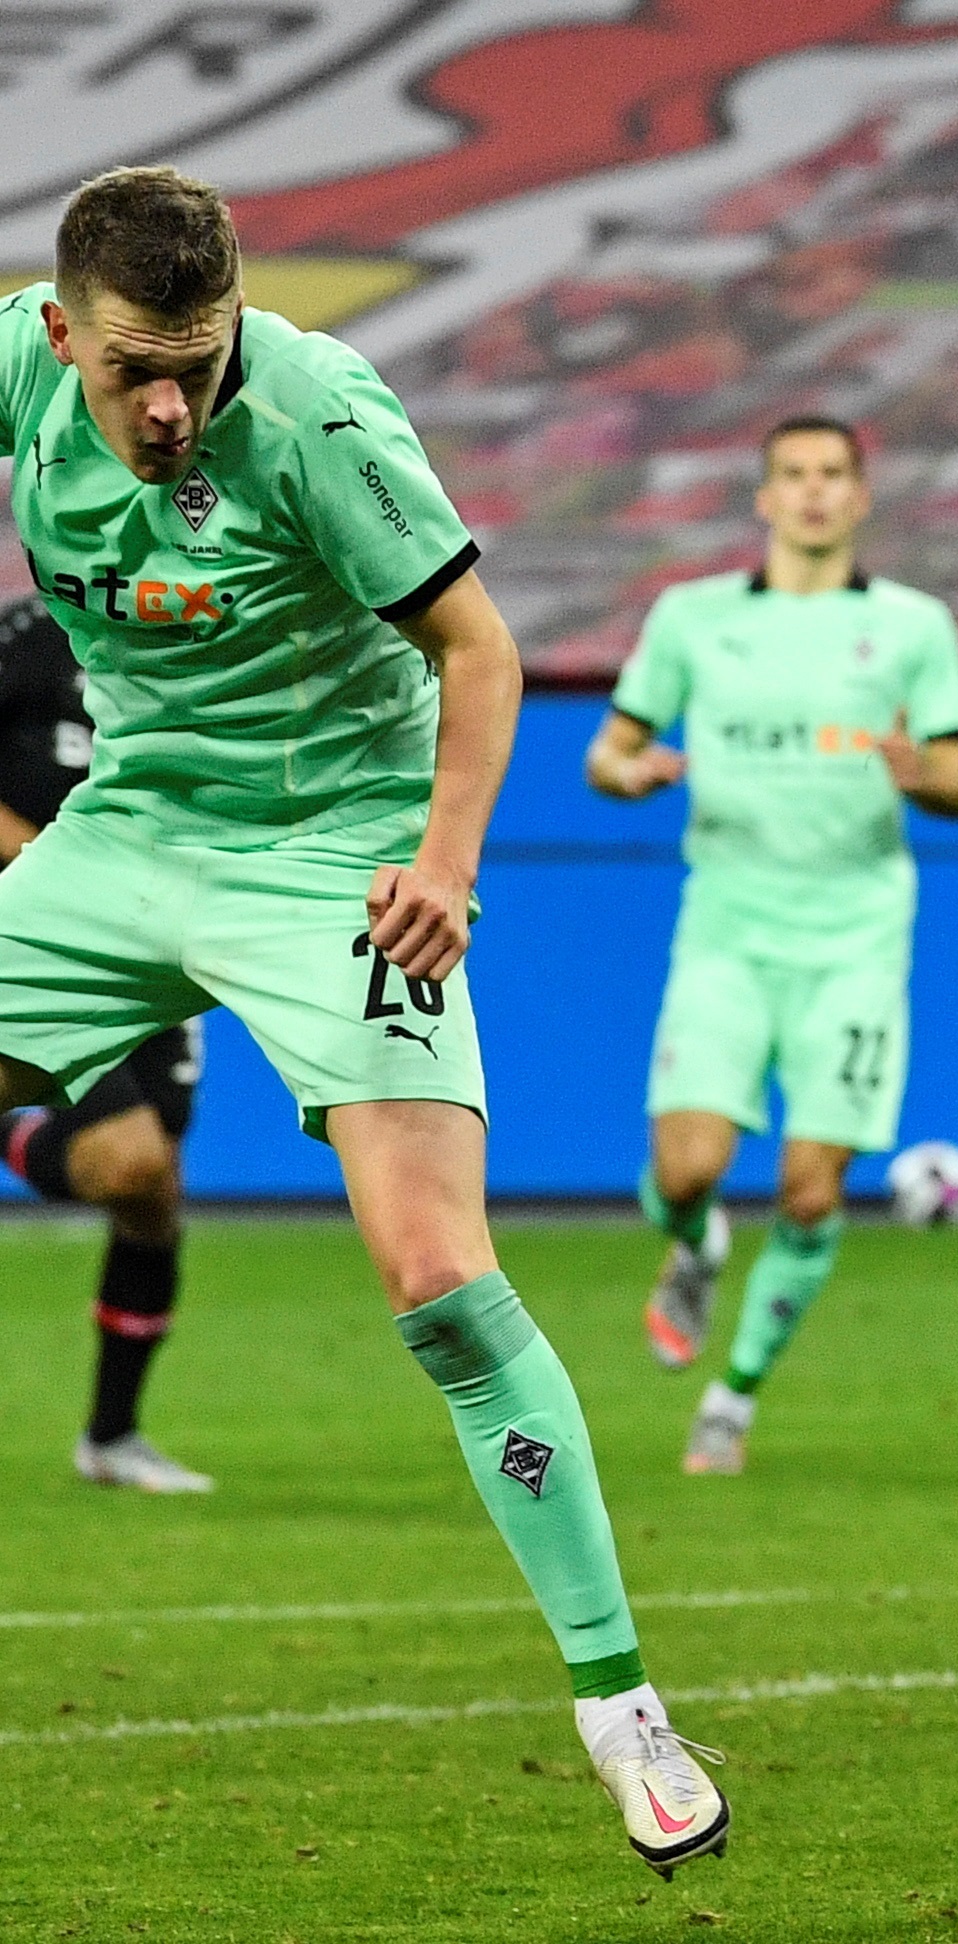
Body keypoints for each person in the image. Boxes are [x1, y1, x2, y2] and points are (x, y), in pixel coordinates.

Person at [0, 167, 728, 1876]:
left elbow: (481, 652)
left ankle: (626, 1712)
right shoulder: (23, 364)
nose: (170, 403)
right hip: (130, 834)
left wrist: (442, 864)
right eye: (133, 371)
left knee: (439, 1280)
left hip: (341, 853)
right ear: (60, 332)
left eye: (198, 357)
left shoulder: (319, 415)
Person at [586, 415, 958, 1475]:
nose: (811, 494)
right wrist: (629, 772)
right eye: (792, 476)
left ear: (860, 497)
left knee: (810, 1189)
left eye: (831, 476)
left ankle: (734, 1396)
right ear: (762, 499)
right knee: (686, 1169)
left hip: (854, 940)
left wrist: (917, 770)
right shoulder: (693, 619)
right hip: (727, 931)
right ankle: (696, 1240)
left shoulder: (910, 627)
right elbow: (607, 752)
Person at [0, 593, 212, 1492]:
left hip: (154, 938)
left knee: (153, 1188)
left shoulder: (199, 642)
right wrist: (47, 864)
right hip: (30, 931)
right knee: (127, 1161)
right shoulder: (28, 642)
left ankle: (112, 1438)